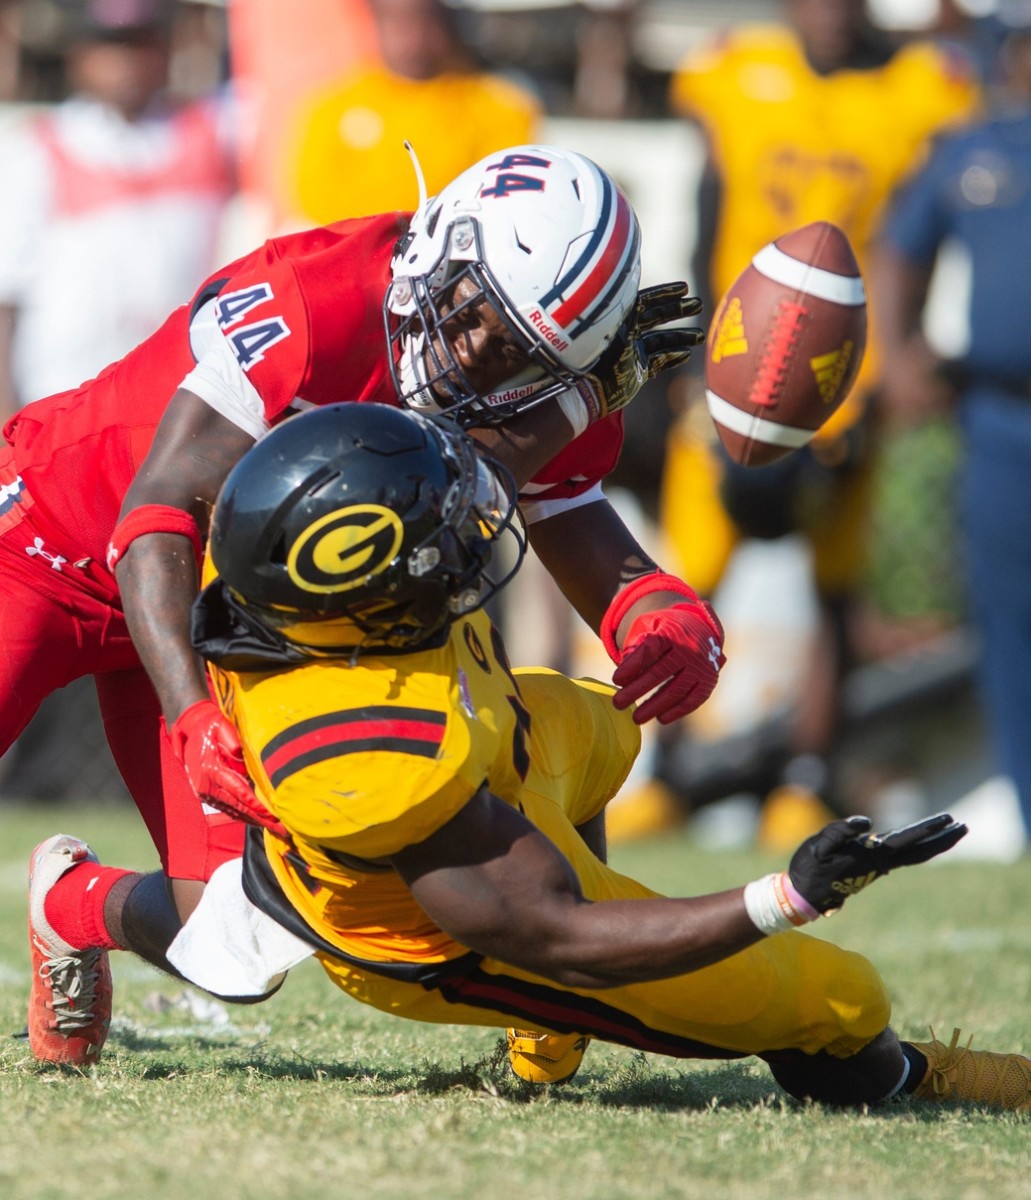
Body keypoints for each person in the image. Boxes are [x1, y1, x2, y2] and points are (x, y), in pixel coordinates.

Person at [117, 401, 1027, 1112]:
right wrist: (785, 897)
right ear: (379, 597)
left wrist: (603, 372)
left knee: (595, 723)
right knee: (831, 997)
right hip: (446, 933)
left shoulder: (293, 581)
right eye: (444, 531)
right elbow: (560, 936)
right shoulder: (372, 752)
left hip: (479, 793)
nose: (472, 528)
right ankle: (908, 1073)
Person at [14, 144, 716, 1066]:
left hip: (222, 616)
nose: (475, 361)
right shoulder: (314, 298)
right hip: (54, 540)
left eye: (516, 356)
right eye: (477, 321)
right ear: (444, 249)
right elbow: (157, 511)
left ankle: (68, 905)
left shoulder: (536, 390)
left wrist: (656, 611)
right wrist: (189, 717)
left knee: (240, 941)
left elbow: (570, 513)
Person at [637, 0, 980, 844]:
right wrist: (691, 360)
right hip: (735, 368)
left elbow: (916, 243)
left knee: (834, 588)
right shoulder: (738, 77)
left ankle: (808, 772)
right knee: (688, 578)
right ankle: (664, 770)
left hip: (842, 382)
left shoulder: (914, 92)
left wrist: (894, 356)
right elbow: (708, 212)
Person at [0, 0, 234, 798]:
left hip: (172, 435)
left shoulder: (211, 134)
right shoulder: (38, 151)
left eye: (142, 43)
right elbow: (7, 300)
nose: (128, 61)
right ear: (79, 57)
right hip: (61, 439)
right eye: (112, 46)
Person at [873, 13, 1031, 847]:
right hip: (1000, 414)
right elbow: (899, 247)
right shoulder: (972, 150)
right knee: (1007, 623)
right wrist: (898, 354)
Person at [285, 0, 540, 225]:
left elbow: (500, 200)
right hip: (358, 265)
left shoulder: (501, 107)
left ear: (449, 23)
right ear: (374, 22)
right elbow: (314, 199)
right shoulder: (330, 107)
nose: (413, 35)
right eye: (397, 20)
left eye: (425, 18)